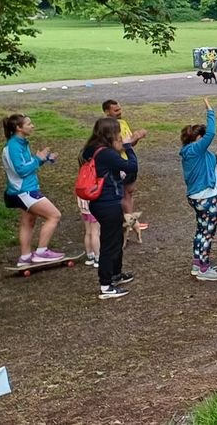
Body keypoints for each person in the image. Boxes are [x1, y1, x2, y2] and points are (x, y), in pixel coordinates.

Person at [80, 117, 139, 299]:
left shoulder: (91, 149)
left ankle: (115, 273)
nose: (120, 134)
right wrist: (128, 147)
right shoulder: (106, 153)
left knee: (116, 238)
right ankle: (106, 285)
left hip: (101, 202)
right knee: (110, 244)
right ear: (110, 133)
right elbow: (132, 166)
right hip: (108, 202)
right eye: (117, 131)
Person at [2, 113, 64, 267]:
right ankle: (42, 252)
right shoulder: (14, 146)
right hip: (24, 191)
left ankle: (25, 257)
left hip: (24, 190)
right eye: (29, 124)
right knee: (54, 216)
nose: (32, 126)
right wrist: (38, 159)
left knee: (28, 222)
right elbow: (21, 170)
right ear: (19, 128)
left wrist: (44, 159)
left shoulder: (22, 143)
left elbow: (28, 165)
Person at [179, 98, 217, 282]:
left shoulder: (196, 152)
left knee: (201, 229)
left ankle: (198, 263)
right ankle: (204, 269)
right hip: (206, 197)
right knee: (208, 231)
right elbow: (211, 132)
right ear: (198, 138)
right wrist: (210, 111)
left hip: (197, 196)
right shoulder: (195, 150)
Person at [101, 100, 147, 231]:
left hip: (128, 163)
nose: (119, 112)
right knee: (118, 195)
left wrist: (136, 138)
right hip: (117, 165)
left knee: (129, 193)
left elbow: (129, 144)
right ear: (106, 112)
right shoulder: (107, 128)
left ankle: (131, 222)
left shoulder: (123, 123)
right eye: (116, 110)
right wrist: (132, 140)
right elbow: (115, 148)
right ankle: (122, 222)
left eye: (120, 109)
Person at [78, 196, 99, 268]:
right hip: (93, 208)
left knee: (88, 232)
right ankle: (98, 257)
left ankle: (90, 256)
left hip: (84, 209)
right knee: (95, 233)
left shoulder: (80, 184)